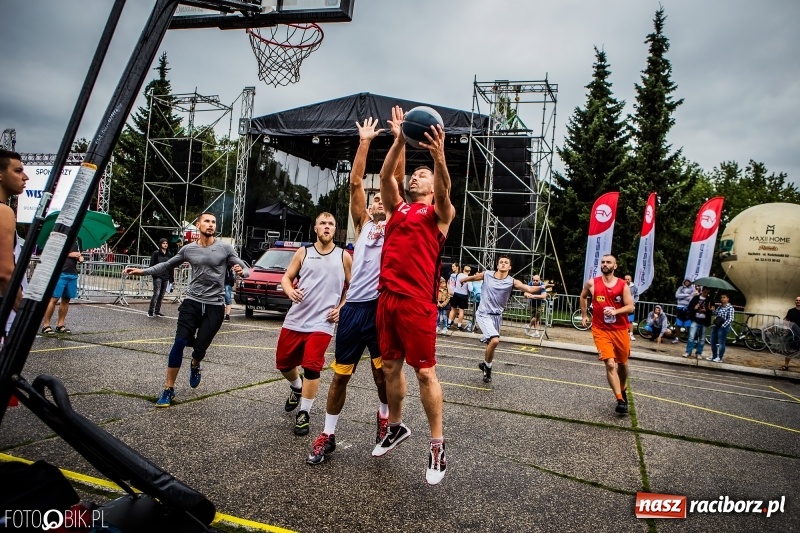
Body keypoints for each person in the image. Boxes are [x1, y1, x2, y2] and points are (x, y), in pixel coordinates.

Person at [307, 117, 401, 465]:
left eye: (382, 198)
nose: (378, 201)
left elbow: (396, 179)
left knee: (381, 375)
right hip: (353, 310)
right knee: (339, 378)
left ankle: (383, 418)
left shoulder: (396, 222)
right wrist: (364, 141)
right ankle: (327, 434)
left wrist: (399, 139)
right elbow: (355, 182)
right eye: (374, 199)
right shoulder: (363, 223)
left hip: (379, 308)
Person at [371, 105, 455, 485]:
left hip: (417, 303)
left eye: (423, 175)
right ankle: (396, 426)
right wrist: (399, 140)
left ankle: (437, 444)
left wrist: (438, 157)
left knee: (424, 373)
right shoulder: (397, 209)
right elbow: (386, 175)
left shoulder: (439, 214)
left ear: (432, 187)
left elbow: (446, 190)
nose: (415, 176)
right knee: (390, 368)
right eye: (415, 173)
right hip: (386, 299)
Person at [123, 212, 249, 407]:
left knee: (200, 349)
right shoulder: (188, 249)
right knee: (179, 342)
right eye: (207, 221)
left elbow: (245, 268)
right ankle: (168, 389)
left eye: (213, 222)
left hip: (215, 306)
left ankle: (195, 363)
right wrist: (143, 271)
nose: (210, 224)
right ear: (198, 225)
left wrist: (242, 272)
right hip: (192, 302)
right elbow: (167, 265)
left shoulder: (225, 248)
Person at [276, 212, 351, 437]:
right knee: (283, 364)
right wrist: (289, 291)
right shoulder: (304, 252)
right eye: (322, 223)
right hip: (296, 319)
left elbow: (354, 288)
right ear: (315, 228)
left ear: (335, 229)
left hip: (323, 322)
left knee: (312, 366)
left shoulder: (344, 256)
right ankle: (296, 387)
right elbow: (286, 278)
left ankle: (304, 413)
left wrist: (341, 308)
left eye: (331, 224)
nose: (327, 227)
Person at [460, 255, 547, 383]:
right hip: (484, 313)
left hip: (497, 316)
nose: (503, 264)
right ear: (497, 265)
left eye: (506, 262)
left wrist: (543, 287)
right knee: (495, 340)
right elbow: (474, 277)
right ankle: (488, 368)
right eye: (501, 262)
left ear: (509, 267)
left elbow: (529, 288)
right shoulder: (487, 275)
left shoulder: (512, 281)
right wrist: (464, 279)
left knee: (491, 344)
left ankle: (485, 364)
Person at [580, 254, 635, 415]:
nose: (605, 264)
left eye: (608, 262)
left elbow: (631, 307)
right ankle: (620, 400)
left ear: (615, 266)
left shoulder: (622, 285)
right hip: (601, 330)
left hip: (620, 330)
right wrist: (584, 315)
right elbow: (583, 296)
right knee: (610, 364)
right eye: (603, 262)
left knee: (623, 364)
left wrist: (615, 311)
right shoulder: (592, 283)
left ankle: (622, 389)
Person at [0, 149, 28, 338]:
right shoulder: (3, 212)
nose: (25, 177)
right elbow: (5, 274)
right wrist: (25, 315)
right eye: (18, 171)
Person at [40, 241, 83, 335]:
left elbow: (78, 254)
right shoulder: (61, 237)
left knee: (66, 300)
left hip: (72, 274)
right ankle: (46, 325)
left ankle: (60, 325)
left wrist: (80, 258)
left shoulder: (78, 240)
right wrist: (69, 254)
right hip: (60, 273)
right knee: (54, 299)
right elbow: (53, 253)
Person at [682, 287, 713, 359]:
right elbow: (689, 307)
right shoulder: (695, 298)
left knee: (702, 338)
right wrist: (694, 308)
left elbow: (712, 311)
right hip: (695, 319)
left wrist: (707, 310)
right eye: (705, 292)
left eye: (708, 293)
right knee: (691, 336)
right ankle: (688, 351)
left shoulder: (710, 300)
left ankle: (699, 352)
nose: (706, 294)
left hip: (704, 321)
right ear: (702, 291)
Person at [148, 238, 173, 318]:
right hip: (158, 277)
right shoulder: (156, 253)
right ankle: (150, 311)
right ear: (160, 244)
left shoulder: (169, 254)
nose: (165, 245)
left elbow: (171, 266)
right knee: (156, 294)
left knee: (161, 295)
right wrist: (155, 275)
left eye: (166, 243)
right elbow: (152, 265)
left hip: (166, 277)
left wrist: (171, 278)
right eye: (163, 243)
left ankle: (157, 311)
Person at [708, 292, 734, 363]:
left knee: (721, 342)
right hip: (717, 325)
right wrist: (713, 310)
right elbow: (716, 314)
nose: (722, 299)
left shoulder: (730, 307)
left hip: (723, 327)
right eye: (721, 297)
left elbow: (730, 318)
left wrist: (723, 325)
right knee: (712, 340)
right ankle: (714, 356)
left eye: (724, 297)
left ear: (728, 299)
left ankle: (720, 357)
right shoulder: (720, 306)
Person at [447, 263, 470, 331]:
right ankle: (459, 325)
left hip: (456, 294)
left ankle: (449, 323)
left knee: (453, 309)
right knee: (461, 311)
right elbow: (470, 289)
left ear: (463, 270)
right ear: (469, 272)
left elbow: (452, 277)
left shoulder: (458, 275)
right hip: (464, 295)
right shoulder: (468, 278)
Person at [780, 296, 800, 371]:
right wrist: (786, 323)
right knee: (789, 350)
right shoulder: (791, 311)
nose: (798, 301)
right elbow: (786, 319)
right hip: (792, 333)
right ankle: (786, 365)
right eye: (797, 300)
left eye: (799, 300)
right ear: (795, 302)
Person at [625, 274, 639, 341]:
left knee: (630, 320)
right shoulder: (622, 285)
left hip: (630, 306)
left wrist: (633, 302)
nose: (627, 280)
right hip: (623, 306)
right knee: (623, 320)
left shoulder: (634, 287)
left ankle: (631, 334)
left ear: (631, 280)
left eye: (628, 279)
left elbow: (637, 296)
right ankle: (624, 334)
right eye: (626, 279)